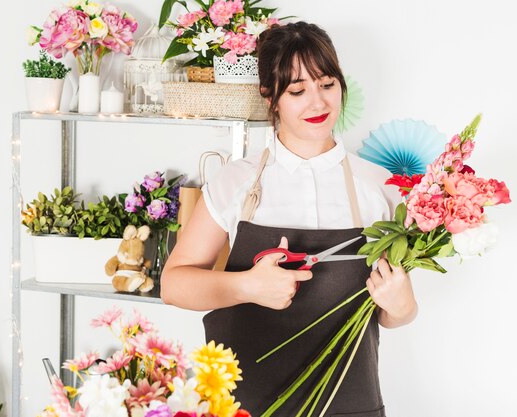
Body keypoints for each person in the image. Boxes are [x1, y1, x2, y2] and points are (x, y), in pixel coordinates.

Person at [161, 21, 417, 417]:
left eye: (327, 84)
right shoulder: (236, 181)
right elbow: (174, 285)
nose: (318, 103)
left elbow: (390, 312)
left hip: (349, 404)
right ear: (270, 95)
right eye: (298, 90)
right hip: (242, 405)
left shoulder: (380, 187)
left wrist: (403, 306)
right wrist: (247, 285)